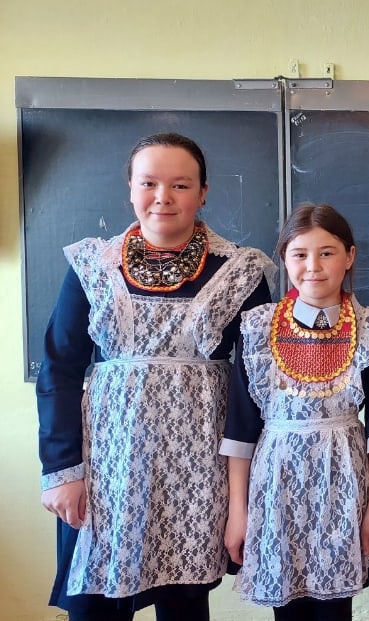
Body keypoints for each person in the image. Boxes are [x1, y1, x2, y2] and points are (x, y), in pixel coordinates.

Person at [36, 132, 274, 621]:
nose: (163, 197)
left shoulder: (240, 272)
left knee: (184, 606)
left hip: (198, 471)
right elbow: (60, 369)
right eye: (149, 183)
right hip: (106, 469)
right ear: (130, 188)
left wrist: (245, 496)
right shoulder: (93, 266)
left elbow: (256, 389)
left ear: (203, 192)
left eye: (180, 185)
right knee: (94, 605)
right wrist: (62, 471)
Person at [220, 204, 369, 620]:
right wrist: (238, 514)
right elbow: (241, 430)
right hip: (276, 489)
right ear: (284, 257)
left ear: (349, 257)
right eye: (299, 254)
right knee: (287, 607)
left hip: (344, 488)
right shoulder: (257, 329)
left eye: (327, 253)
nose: (313, 266)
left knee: (335, 609)